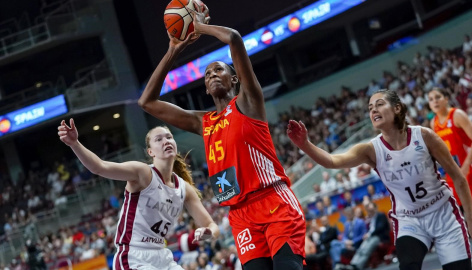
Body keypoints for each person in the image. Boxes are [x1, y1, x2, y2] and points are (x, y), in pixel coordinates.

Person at [137, 6, 305, 270]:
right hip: (240, 214)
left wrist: (196, 26)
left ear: (235, 79)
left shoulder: (248, 102)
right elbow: (146, 101)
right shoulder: (202, 122)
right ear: (205, 88)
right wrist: (174, 50)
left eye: (218, 70)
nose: (212, 75)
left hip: (272, 200)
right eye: (207, 74)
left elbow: (234, 38)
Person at [287, 89, 472, 270]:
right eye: (370, 108)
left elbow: (458, 177)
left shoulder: (424, 136)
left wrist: (471, 218)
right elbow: (332, 161)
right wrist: (305, 145)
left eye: (379, 104)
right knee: (408, 265)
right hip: (409, 219)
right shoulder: (371, 149)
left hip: (442, 213)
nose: (374, 110)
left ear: (397, 108)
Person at [58, 118, 219, 270]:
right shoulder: (143, 173)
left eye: (169, 137)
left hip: (162, 257)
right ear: (151, 152)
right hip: (133, 255)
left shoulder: (184, 188)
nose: (166, 141)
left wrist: (208, 232)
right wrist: (75, 144)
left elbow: (211, 225)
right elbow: (99, 167)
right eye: (159, 139)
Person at [428, 87, 472, 219]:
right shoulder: (433, 123)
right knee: (462, 214)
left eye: (438, 97)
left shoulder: (457, 115)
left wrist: (467, 164)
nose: (435, 101)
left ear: (446, 99)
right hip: (453, 171)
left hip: (470, 166)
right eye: (431, 99)